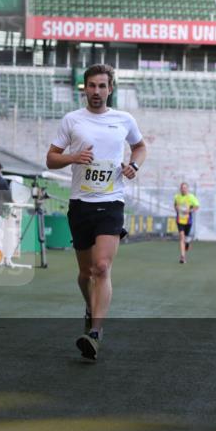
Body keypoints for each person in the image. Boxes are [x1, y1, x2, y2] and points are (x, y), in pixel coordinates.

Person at [46, 64, 147, 360]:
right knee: (84, 273)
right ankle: (90, 306)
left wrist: (134, 165)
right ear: (84, 88)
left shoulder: (124, 119)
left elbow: (140, 147)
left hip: (111, 202)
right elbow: (51, 159)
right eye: (91, 85)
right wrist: (73, 157)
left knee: (102, 267)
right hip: (80, 203)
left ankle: (95, 333)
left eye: (102, 86)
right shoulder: (72, 120)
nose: (96, 91)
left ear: (110, 89)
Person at [173, 182, 199, 264]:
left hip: (188, 221)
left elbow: (197, 206)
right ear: (180, 189)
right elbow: (175, 205)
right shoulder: (177, 197)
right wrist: (177, 208)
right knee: (181, 237)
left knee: (186, 239)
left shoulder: (191, 197)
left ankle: (187, 243)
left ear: (187, 189)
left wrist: (189, 210)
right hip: (179, 220)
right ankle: (182, 257)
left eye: (185, 188)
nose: (183, 189)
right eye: (182, 188)